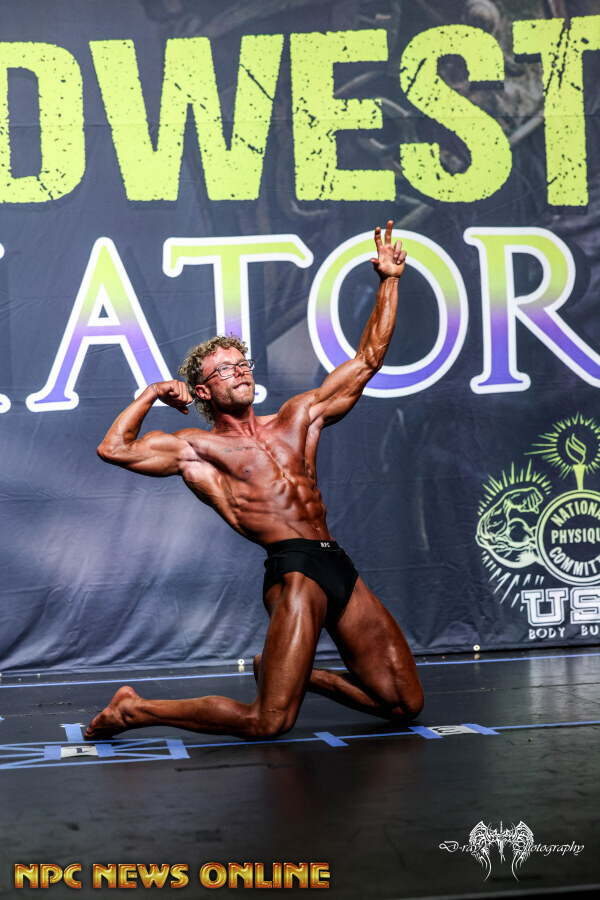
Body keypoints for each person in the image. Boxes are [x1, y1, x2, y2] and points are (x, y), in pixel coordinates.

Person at [85, 221, 424, 742]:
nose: (240, 372)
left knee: (404, 704)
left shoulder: (298, 417)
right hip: (295, 571)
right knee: (268, 722)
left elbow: (366, 361)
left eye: (242, 363)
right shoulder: (199, 450)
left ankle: (297, 674)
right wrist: (152, 393)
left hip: (336, 561)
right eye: (224, 370)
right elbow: (115, 448)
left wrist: (389, 281)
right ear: (203, 391)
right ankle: (134, 710)